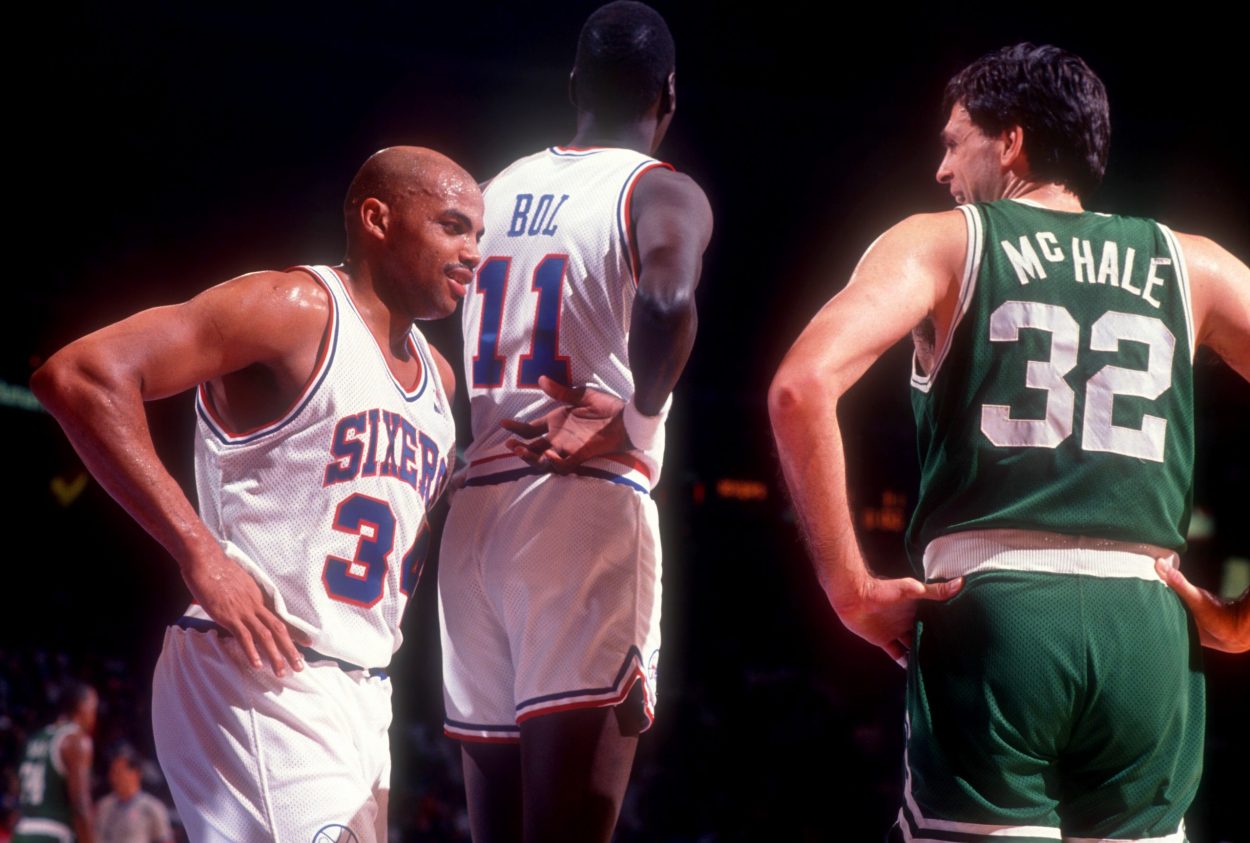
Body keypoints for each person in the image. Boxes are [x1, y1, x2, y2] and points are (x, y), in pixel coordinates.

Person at [769, 43, 1249, 842]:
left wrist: (850, 591)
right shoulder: (1189, 260)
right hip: (1145, 622)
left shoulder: (945, 241)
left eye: (954, 140)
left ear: (1012, 141)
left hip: (995, 613)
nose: (940, 168)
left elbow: (800, 385)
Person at [31, 146, 483, 843]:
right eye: (453, 226)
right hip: (259, 668)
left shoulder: (441, 380)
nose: (472, 251)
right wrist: (200, 553)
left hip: (363, 691)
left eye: (477, 234)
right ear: (377, 218)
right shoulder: (295, 309)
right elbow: (82, 375)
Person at [437, 2, 712, 840]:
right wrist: (637, 418)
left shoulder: (491, 191)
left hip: (474, 517)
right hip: (579, 506)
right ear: (669, 94)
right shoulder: (657, 188)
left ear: (573, 88)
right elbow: (668, 301)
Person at [13, 683, 97, 843]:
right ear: (81, 706)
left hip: (22, 832)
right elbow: (80, 804)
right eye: (93, 706)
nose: (94, 714)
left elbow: (19, 788)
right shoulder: (76, 741)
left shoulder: (35, 739)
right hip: (53, 834)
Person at [95, 748, 174, 843]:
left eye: (119, 773)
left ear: (135, 774)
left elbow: (164, 839)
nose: (114, 778)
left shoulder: (151, 807)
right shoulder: (104, 806)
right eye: (113, 773)